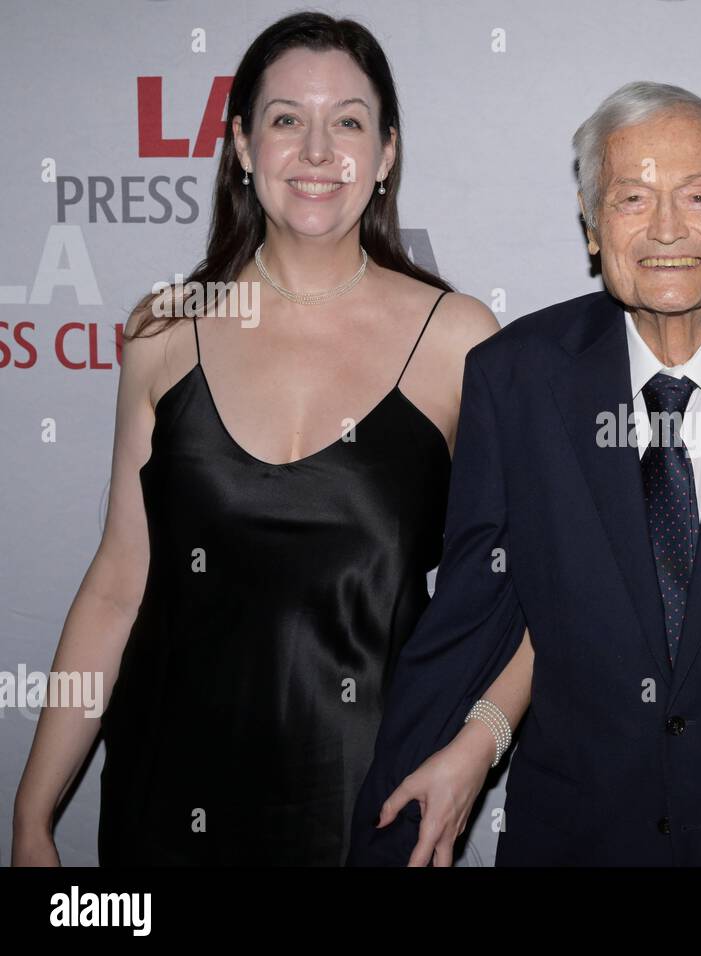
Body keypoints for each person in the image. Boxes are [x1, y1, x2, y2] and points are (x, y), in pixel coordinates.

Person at [11, 12, 531, 866]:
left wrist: (478, 747)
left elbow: (538, 585)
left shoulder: (459, 340)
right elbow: (116, 584)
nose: (319, 151)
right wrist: (33, 816)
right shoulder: (164, 332)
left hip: (372, 799)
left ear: (387, 153)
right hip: (164, 796)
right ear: (244, 147)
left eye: (349, 122)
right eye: (288, 119)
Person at [350, 80, 701, 867]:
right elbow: (477, 613)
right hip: (574, 841)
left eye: (699, 197)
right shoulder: (516, 380)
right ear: (590, 226)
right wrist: (439, 766)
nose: (666, 229)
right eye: (632, 198)